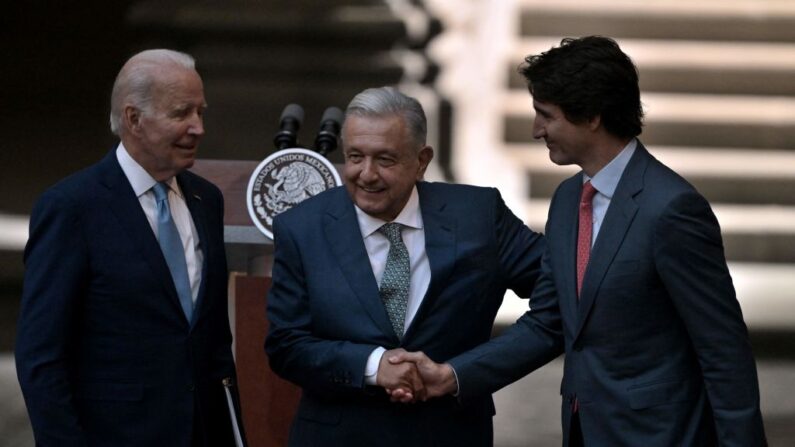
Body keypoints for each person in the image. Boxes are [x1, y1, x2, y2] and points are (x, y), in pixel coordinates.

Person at [392, 36, 767, 446]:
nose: (537, 130)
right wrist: (453, 375)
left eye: (546, 116)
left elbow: (723, 350)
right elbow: (549, 320)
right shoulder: (569, 199)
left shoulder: (672, 210)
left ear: (591, 116)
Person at [264, 86, 552, 446]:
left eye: (385, 160)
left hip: (451, 433)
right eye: (355, 156)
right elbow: (286, 345)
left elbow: (562, 298)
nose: (366, 175)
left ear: (422, 160)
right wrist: (373, 366)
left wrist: (461, 373)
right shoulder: (302, 227)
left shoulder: (478, 216)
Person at [16, 49, 241, 446]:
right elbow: (41, 358)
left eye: (200, 112)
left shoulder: (207, 200)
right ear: (134, 119)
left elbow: (213, 343)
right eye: (181, 114)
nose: (198, 128)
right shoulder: (72, 207)